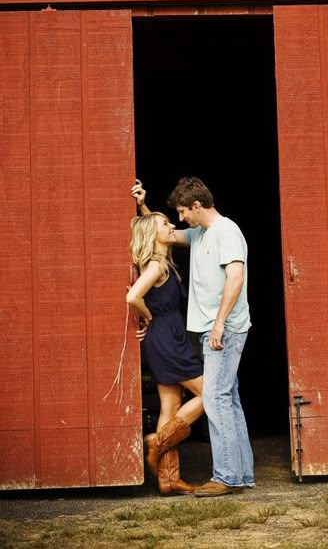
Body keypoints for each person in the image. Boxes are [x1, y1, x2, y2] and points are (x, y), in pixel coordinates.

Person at [131, 177, 255, 497]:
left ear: (197, 207)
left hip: (222, 329)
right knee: (225, 401)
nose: (179, 219)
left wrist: (218, 324)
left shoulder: (225, 232)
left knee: (214, 400)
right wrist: (143, 205)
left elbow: (235, 278)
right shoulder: (200, 234)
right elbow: (161, 232)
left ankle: (224, 475)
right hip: (196, 332)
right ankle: (237, 474)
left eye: (183, 211)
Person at [126, 211, 204, 495]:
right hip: (167, 339)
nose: (173, 226)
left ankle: (169, 479)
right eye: (166, 224)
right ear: (152, 234)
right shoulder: (157, 266)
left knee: (170, 408)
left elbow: (157, 224)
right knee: (211, 395)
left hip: (167, 338)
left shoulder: (162, 262)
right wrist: (147, 317)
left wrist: (145, 205)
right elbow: (133, 296)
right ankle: (157, 442)